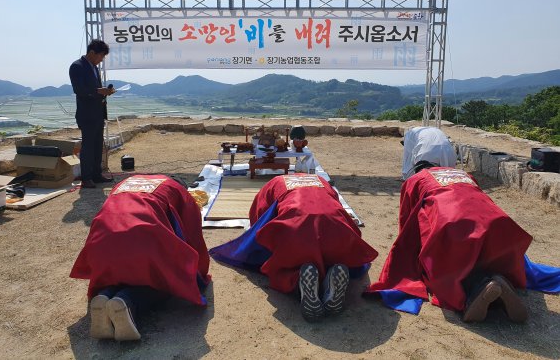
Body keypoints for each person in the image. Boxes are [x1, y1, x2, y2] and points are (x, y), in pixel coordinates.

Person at [365, 164, 559, 322]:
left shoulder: (415, 180)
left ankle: (474, 294)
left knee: (446, 266)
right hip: (497, 222)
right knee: (490, 255)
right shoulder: (462, 173)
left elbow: (407, 219)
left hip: (454, 223)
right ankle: (500, 281)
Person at [210, 173, 378, 322]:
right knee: (335, 253)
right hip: (336, 226)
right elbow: (335, 203)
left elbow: (259, 215)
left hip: (296, 224)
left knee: (287, 263)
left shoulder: (274, 182)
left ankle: (299, 281)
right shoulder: (320, 179)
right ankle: (330, 274)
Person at [70, 175, 211, 340]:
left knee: (121, 272)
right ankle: (127, 301)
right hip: (142, 240)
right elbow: (191, 233)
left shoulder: (127, 182)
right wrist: (196, 271)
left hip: (102, 243)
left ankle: (105, 295)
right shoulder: (178, 191)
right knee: (164, 279)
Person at [69, 39, 115, 188]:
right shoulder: (77, 66)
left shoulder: (94, 68)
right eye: (101, 56)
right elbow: (79, 89)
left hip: (98, 112)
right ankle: (86, 177)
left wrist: (105, 92)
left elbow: (95, 90)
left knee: (97, 145)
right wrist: (98, 91)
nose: (101, 60)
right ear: (92, 52)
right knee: (88, 146)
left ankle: (97, 174)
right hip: (86, 114)